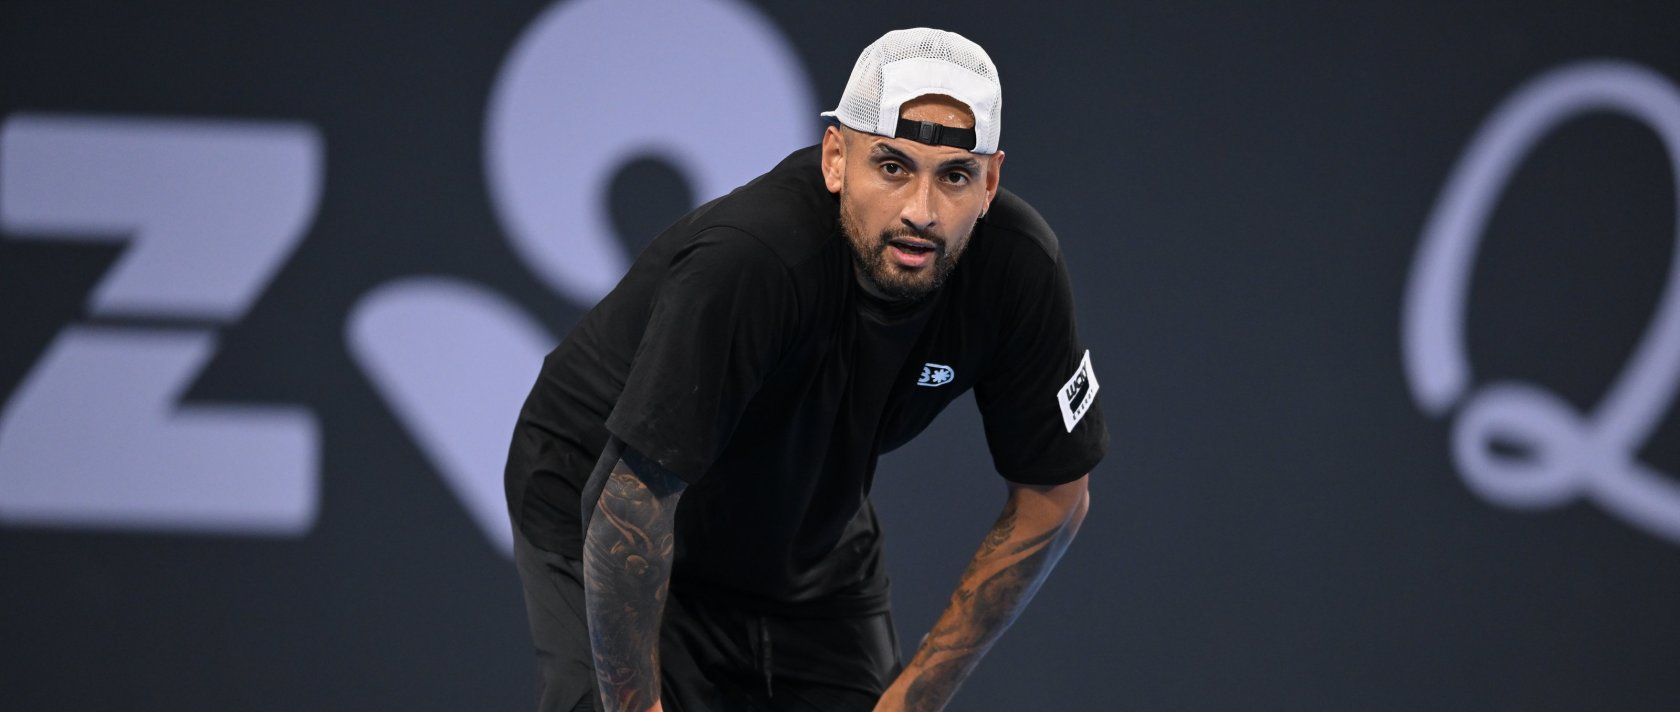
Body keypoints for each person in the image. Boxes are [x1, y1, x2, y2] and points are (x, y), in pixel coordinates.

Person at [505, 27, 1107, 712]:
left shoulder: (1018, 270)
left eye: (955, 176)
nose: (921, 211)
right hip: (611, 495)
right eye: (891, 166)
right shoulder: (752, 260)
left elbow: (1054, 499)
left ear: (990, 182)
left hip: (802, 530)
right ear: (835, 160)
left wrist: (910, 700)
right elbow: (629, 505)